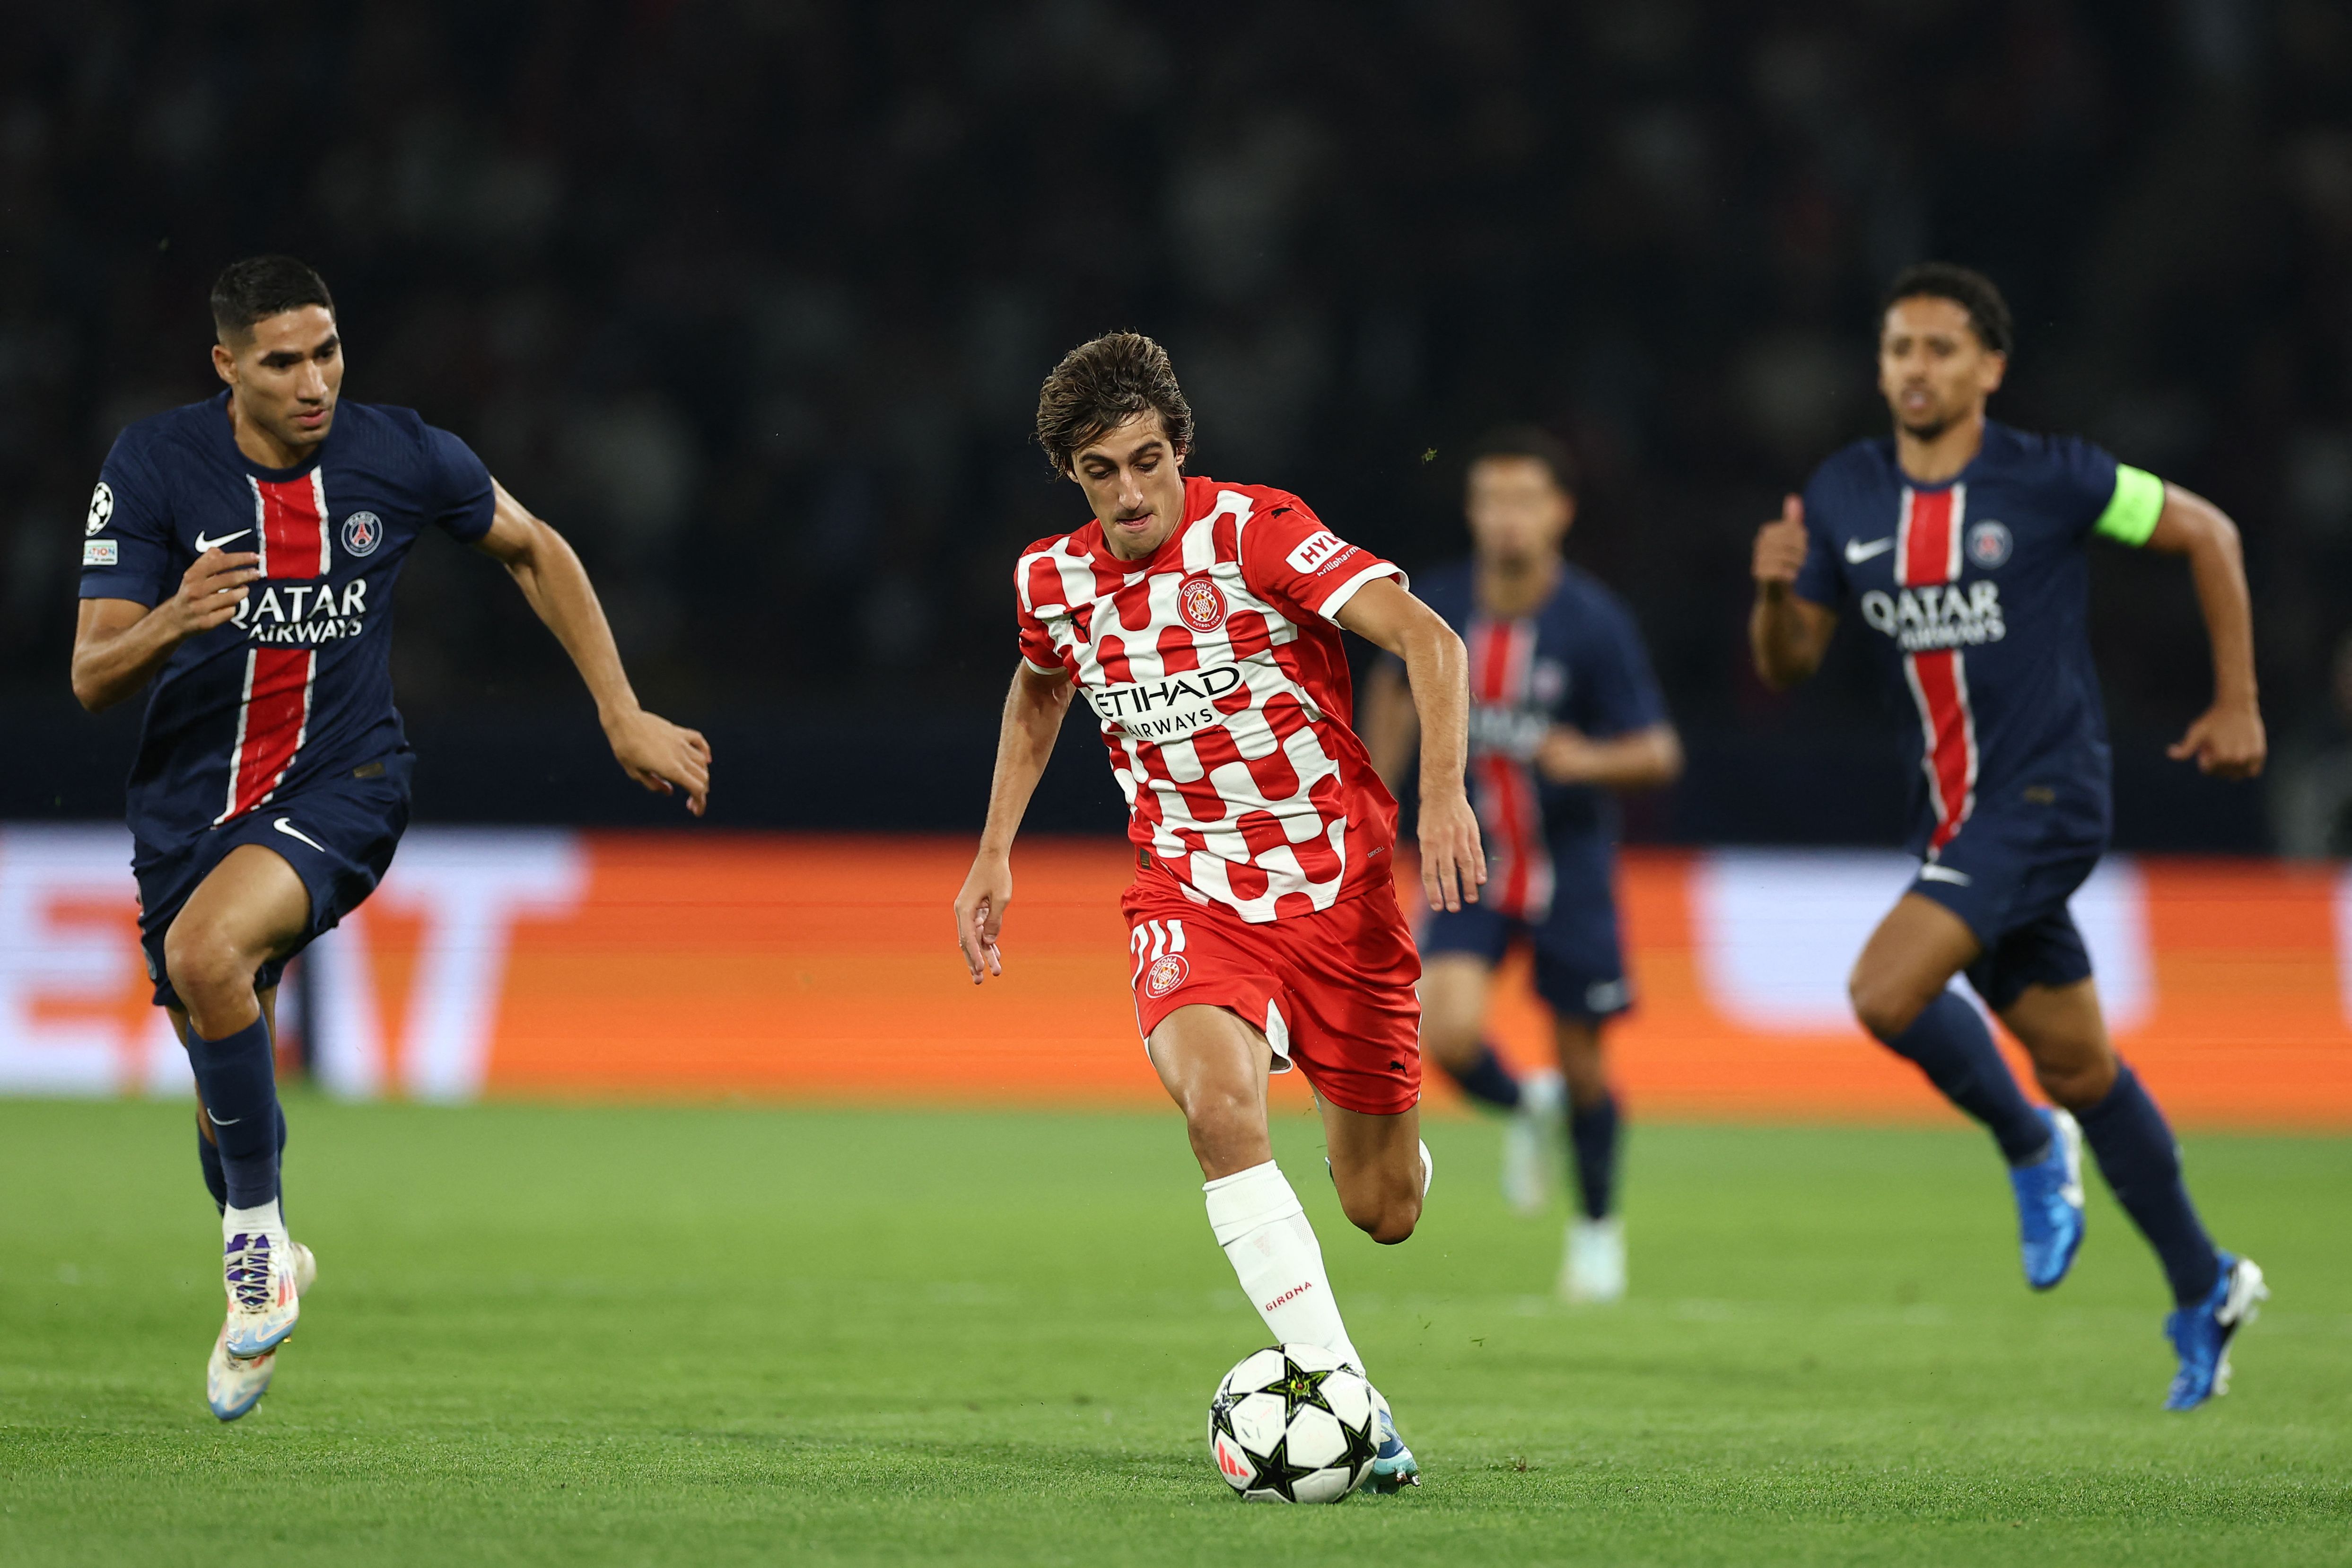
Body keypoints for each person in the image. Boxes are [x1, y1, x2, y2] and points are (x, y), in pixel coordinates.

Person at [71, 256, 711, 1422]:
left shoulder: (402, 453)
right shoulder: (155, 465)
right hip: (187, 811)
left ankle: (254, 1260)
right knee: (223, 1062)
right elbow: (91, 675)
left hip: (348, 779)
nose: (314, 380)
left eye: (327, 351)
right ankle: (265, 1240)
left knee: (208, 958)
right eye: (282, 360)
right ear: (226, 366)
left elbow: (535, 547)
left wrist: (621, 710)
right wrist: (175, 615)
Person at [953, 332, 1486, 1490]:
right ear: (1073, 478)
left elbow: (1430, 639)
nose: (1132, 491)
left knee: (1382, 1210)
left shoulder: (1256, 531)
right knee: (1218, 1107)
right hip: (1191, 893)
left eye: (1148, 461)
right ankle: (1350, 1394)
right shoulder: (1053, 581)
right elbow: (1041, 686)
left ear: (1181, 448)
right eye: (1103, 471)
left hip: (1340, 901)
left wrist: (1443, 794)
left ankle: (1390, 1149)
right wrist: (995, 849)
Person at [1749, 262, 2266, 1410]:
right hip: (1956, 818)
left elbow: (2210, 533)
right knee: (2086, 1063)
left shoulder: (2053, 475)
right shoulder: (1842, 494)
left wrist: (2237, 702)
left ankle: (2031, 1145)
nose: (1915, 369)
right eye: (1898, 349)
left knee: (1885, 991)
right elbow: (1789, 665)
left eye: (1940, 349)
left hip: (2047, 797)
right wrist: (1777, 594)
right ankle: (2206, 1279)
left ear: (1991, 367)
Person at [1362, 427, 1680, 1302]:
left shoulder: (1592, 623)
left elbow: (1656, 750)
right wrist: (1373, 802)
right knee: (1445, 1030)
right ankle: (1523, 1106)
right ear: (1472, 511)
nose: (1507, 518)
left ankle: (1595, 1231)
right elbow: (1391, 690)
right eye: (1491, 499)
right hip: (1470, 859)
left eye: (1524, 500)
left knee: (1585, 1064)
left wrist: (1589, 760)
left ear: (1560, 514)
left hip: (1569, 867)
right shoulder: (1439, 605)